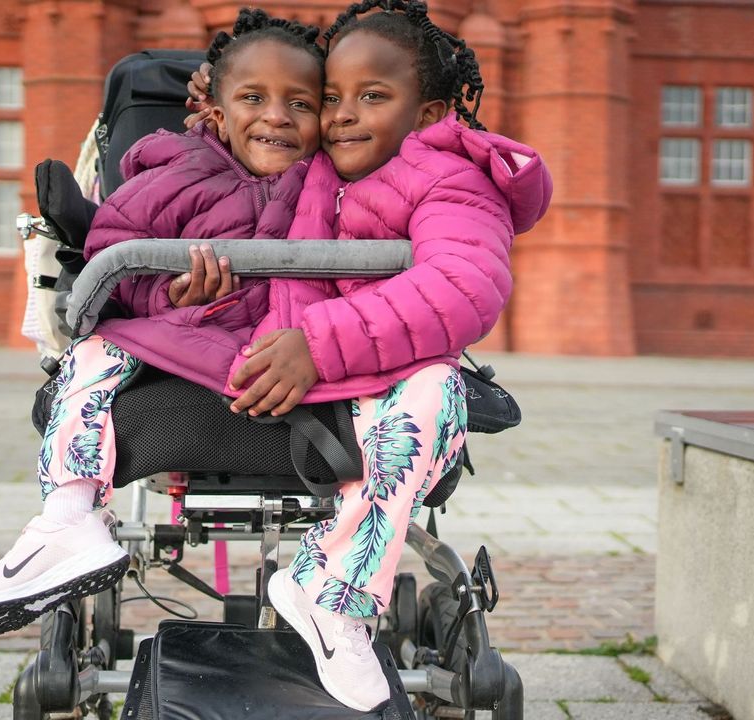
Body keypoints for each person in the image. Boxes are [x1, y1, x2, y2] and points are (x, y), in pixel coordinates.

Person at [185, 0, 550, 710]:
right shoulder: (315, 168)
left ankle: (333, 595)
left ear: (428, 112)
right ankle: (329, 593)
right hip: (294, 376)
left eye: (373, 96)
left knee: (434, 392)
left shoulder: (450, 177)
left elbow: (462, 286)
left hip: (375, 373)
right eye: (332, 98)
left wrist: (318, 344)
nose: (344, 114)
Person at [0, 8, 326, 638]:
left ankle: (335, 575)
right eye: (254, 98)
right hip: (178, 339)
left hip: (285, 354)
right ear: (216, 115)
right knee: (92, 353)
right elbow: (111, 263)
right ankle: (69, 518)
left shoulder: (336, 189)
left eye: (299, 103)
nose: (277, 115)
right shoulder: (172, 178)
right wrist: (169, 291)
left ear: (325, 118)